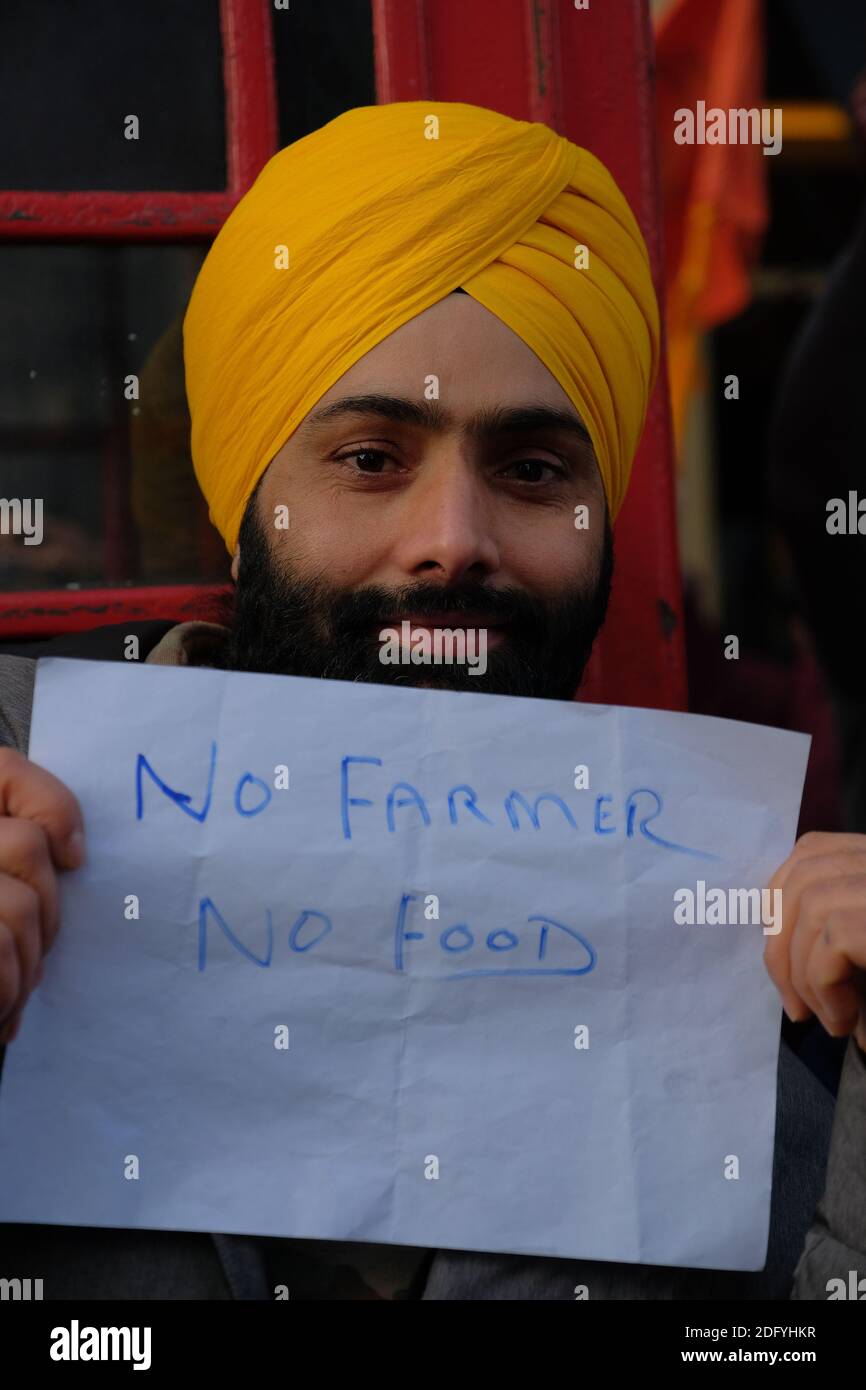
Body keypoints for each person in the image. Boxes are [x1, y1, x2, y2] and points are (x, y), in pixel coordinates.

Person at [0, 101, 863, 1301]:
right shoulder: (19, 835)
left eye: (528, 471)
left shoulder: (755, 985)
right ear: (241, 510)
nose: (451, 543)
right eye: (370, 459)